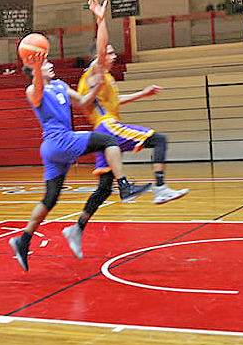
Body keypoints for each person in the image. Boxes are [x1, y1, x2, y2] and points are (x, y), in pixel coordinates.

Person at [8, 0, 152, 272]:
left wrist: (96, 88)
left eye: (47, 62)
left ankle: (23, 241)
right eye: (43, 63)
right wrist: (37, 70)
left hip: (56, 149)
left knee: (50, 198)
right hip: (58, 141)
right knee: (108, 138)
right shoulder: (34, 90)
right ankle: (124, 186)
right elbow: (37, 91)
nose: (49, 63)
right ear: (33, 69)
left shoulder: (61, 86)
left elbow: (85, 103)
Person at [62, 13, 189, 250]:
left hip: (104, 133)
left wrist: (143, 93)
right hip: (107, 126)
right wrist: (101, 22)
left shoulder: (107, 78)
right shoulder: (94, 72)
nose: (113, 55)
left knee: (104, 187)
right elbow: (100, 52)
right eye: (109, 52)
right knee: (159, 140)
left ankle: (76, 228)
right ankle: (160, 188)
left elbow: (116, 100)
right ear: (98, 56)